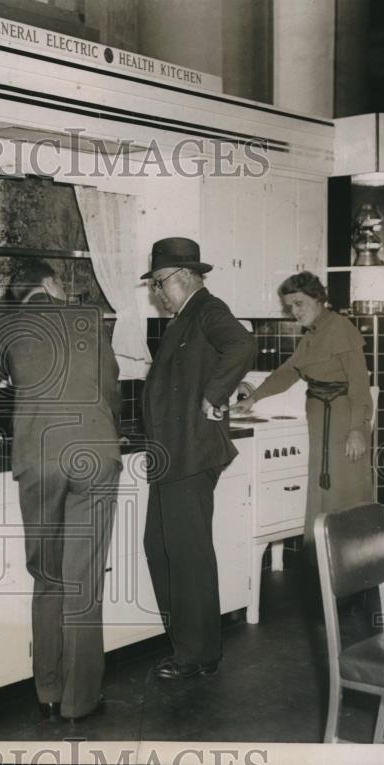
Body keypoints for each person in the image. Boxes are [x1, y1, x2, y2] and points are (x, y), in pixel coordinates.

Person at [0, 260, 121, 722]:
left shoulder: (4, 324)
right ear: (51, 284)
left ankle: (49, 693)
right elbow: (110, 385)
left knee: (48, 578)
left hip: (38, 460)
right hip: (94, 455)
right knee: (83, 582)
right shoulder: (88, 318)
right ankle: (80, 701)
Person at [140, 237, 257, 679]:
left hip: (190, 450)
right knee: (162, 546)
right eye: (153, 284)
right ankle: (192, 645)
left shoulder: (207, 308)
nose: (157, 292)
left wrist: (215, 393)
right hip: (173, 452)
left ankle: (197, 653)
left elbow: (242, 345)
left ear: (186, 276)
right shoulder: (185, 317)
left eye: (160, 282)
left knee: (186, 552)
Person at [231, 270, 373, 544]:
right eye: (289, 307)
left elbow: (359, 386)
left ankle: (353, 566)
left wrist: (357, 430)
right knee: (323, 490)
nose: (294, 311)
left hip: (344, 423)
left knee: (345, 491)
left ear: (318, 299)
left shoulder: (340, 328)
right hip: (321, 421)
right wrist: (253, 398)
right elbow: (287, 373)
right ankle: (327, 563)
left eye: (299, 304)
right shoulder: (313, 334)